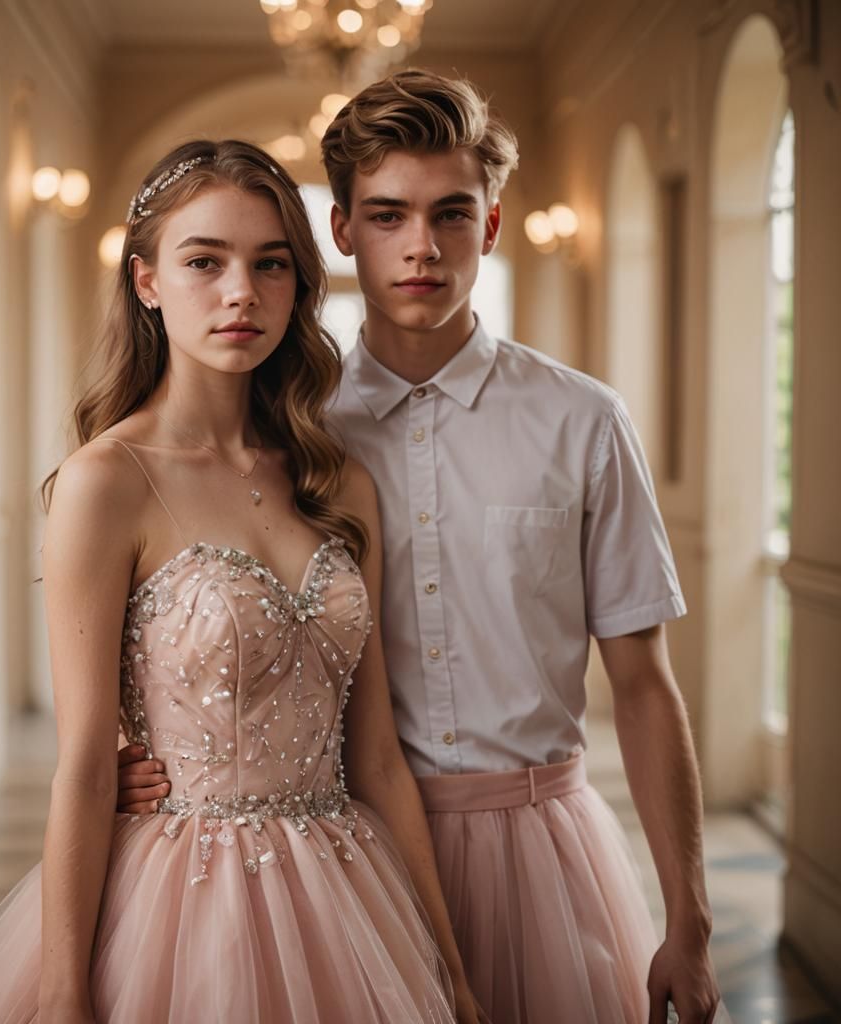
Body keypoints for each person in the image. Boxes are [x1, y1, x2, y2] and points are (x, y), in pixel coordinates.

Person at [119, 72, 725, 1024]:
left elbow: (645, 688)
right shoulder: (289, 436)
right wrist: (138, 749)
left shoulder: (583, 421)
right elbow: (183, 606)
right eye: (389, 215)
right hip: (347, 853)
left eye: (452, 214)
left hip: (545, 850)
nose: (422, 247)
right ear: (344, 231)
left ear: (489, 226)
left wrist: (689, 920)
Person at [0, 139, 480, 1023]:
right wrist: (64, 991)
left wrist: (451, 969)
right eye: (204, 262)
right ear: (146, 281)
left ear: (299, 285)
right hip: (178, 907)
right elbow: (88, 770)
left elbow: (376, 758)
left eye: (271, 265)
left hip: (350, 899)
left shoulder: (339, 482)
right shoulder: (107, 481)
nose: (241, 293)